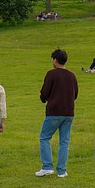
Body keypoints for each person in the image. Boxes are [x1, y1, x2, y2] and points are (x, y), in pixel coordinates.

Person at [36, 49, 78, 178]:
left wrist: (43, 98)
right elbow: (75, 94)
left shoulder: (51, 74)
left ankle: (47, 167)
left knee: (44, 138)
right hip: (69, 112)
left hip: (54, 112)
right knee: (64, 142)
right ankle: (62, 171)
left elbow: (45, 93)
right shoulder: (72, 75)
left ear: (55, 60)